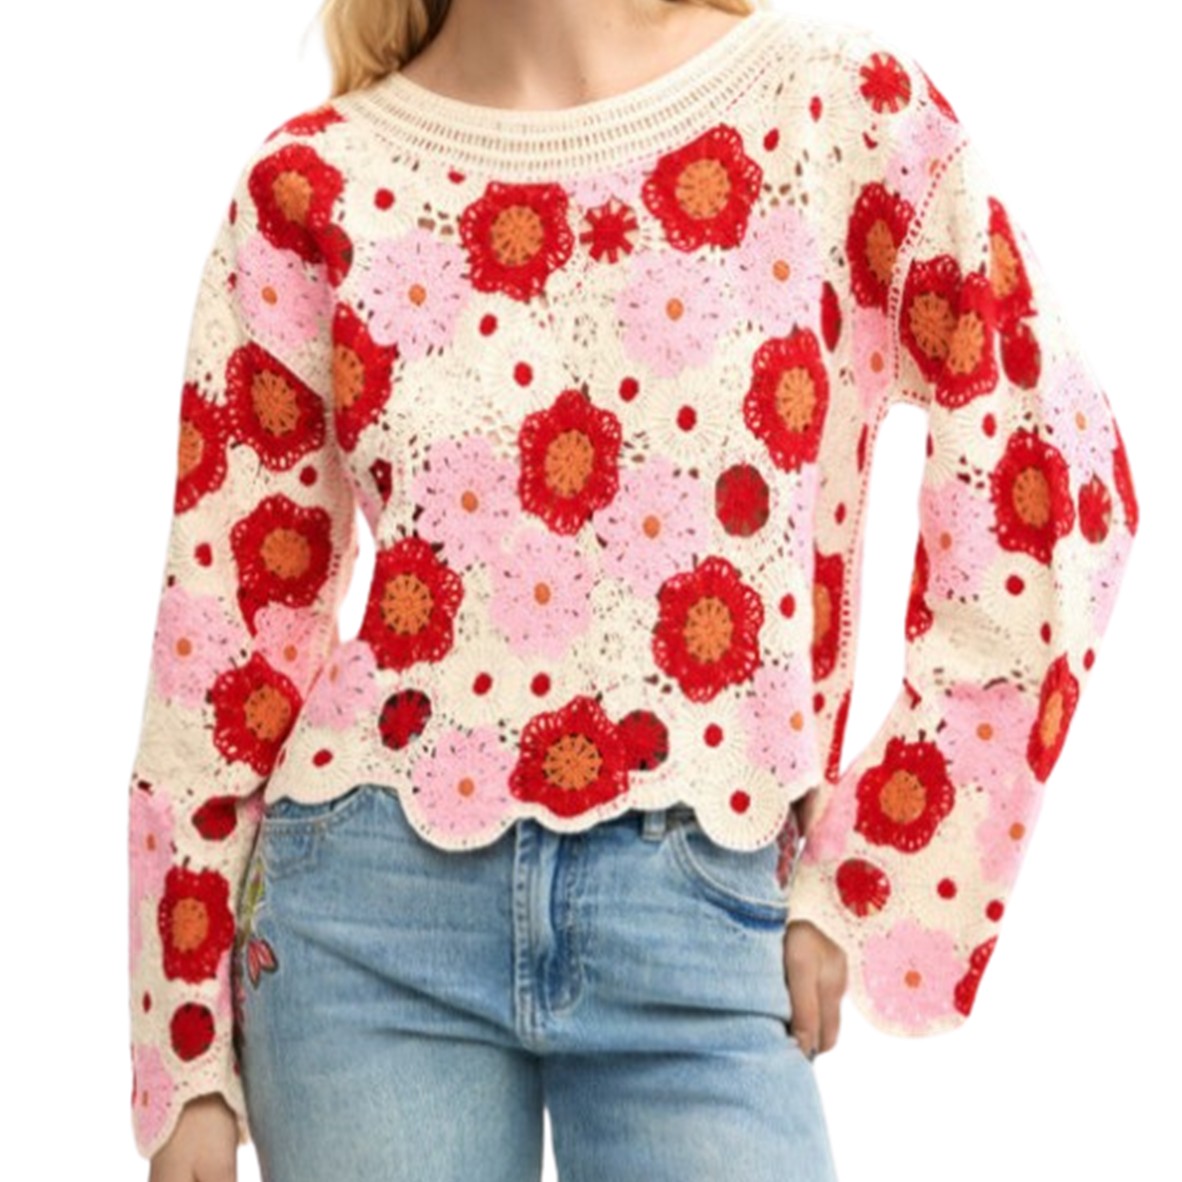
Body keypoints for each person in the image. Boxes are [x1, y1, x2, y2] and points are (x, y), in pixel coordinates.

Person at [126, 0, 1140, 1178]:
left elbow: (1053, 476)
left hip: (705, 914)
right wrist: (181, 1048)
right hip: (362, 929)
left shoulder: (835, 113)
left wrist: (877, 859)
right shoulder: (311, 186)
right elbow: (222, 629)